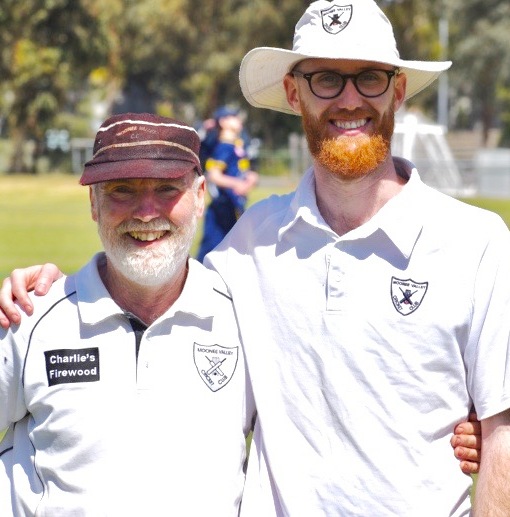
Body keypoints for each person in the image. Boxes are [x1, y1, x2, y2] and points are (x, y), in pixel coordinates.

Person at [0, 0, 497, 513]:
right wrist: (57, 292)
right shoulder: (255, 239)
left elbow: (499, 431)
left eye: (368, 77)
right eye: (326, 78)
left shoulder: (476, 241)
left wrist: (486, 430)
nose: (349, 99)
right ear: (293, 91)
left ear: (396, 89)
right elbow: (151, 268)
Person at [0, 113, 255, 516]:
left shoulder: (245, 318)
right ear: (93, 204)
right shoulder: (30, 317)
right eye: (122, 190)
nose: (147, 212)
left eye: (168, 188)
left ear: (201, 195)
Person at [196, 106, 259, 262]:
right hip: (221, 208)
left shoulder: (237, 145)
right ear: (223, 122)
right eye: (234, 117)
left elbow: (245, 170)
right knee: (212, 251)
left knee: (233, 251)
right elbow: (214, 176)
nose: (239, 120)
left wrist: (250, 179)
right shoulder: (223, 147)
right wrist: (237, 184)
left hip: (234, 205)